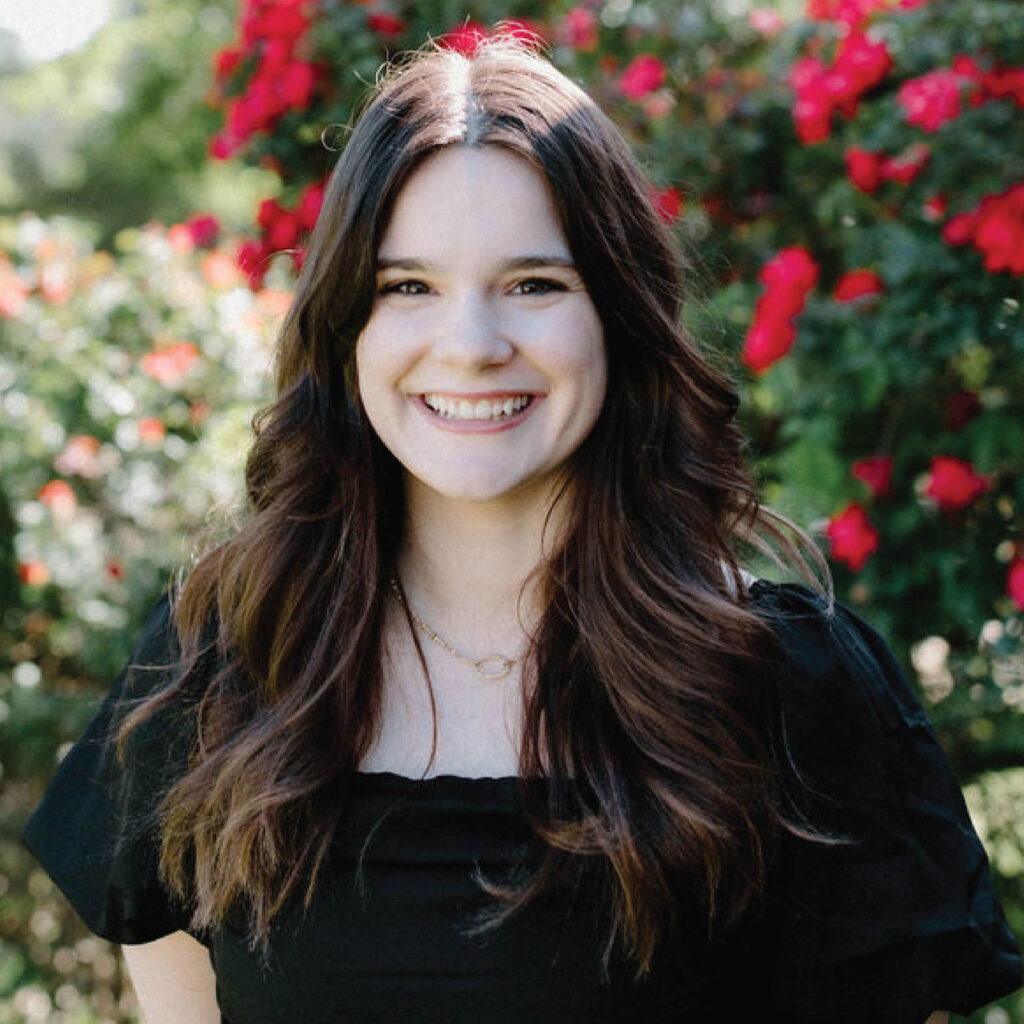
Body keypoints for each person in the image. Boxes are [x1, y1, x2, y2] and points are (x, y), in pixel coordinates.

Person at [23, 39, 1022, 1024]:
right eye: (406, 286)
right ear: (345, 326)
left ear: (617, 317)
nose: (471, 346)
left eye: (534, 284)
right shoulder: (218, 667)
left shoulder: (791, 692)